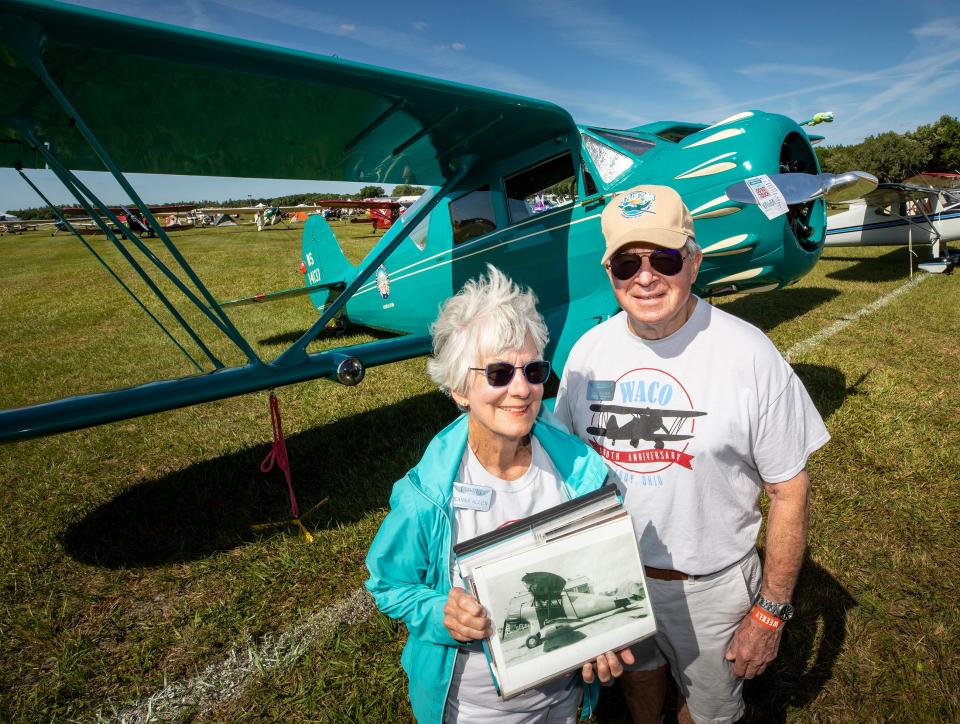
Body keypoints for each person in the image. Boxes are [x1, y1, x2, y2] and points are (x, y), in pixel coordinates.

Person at [554, 185, 830, 724]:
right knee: (640, 677)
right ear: (608, 270)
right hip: (618, 577)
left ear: (694, 260)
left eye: (665, 258)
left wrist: (769, 613)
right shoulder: (588, 352)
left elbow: (788, 488)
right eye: (627, 263)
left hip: (712, 587)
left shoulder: (748, 352)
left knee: (709, 708)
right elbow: (565, 468)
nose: (646, 276)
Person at [366, 266, 632, 724]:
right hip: (475, 710)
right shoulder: (427, 494)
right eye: (498, 373)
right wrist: (438, 612)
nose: (522, 388)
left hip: (564, 698)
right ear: (459, 389)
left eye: (533, 370)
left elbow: (603, 573)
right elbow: (388, 585)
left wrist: (605, 640)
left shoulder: (581, 472)